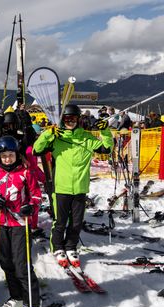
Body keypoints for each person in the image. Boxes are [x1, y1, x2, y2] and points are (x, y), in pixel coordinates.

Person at [33, 104, 113, 267]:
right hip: (61, 187)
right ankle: (57, 247)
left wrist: (105, 131)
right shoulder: (57, 137)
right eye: (67, 119)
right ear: (63, 120)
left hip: (80, 188)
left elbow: (107, 148)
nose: (70, 121)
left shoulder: (87, 138)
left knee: (77, 222)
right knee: (60, 221)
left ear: (78, 119)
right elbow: (36, 150)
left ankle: (70, 246)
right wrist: (48, 133)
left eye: (73, 118)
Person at [0, 136, 42, 307]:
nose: (7, 159)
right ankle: (16, 296)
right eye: (4, 156)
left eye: (11, 155)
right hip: (1, 223)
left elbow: (37, 196)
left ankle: (33, 302)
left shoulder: (25, 173)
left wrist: (31, 207)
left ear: (16, 155)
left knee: (21, 265)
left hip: (19, 224)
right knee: (6, 262)